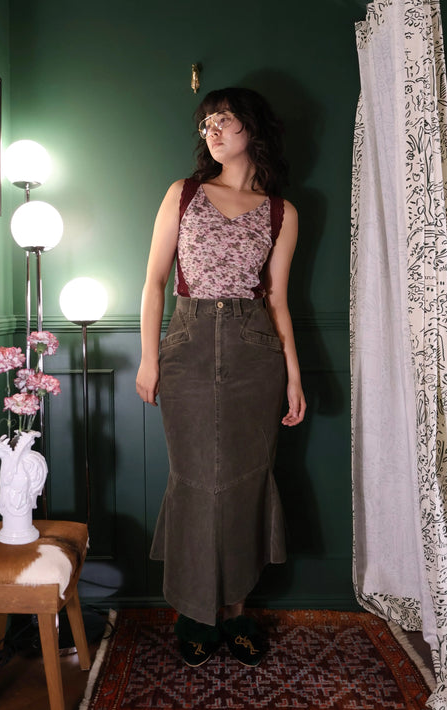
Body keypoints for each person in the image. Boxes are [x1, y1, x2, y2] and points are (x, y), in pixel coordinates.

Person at [136, 87, 306, 668]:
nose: (211, 130)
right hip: (185, 346)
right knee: (193, 482)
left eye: (224, 120)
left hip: (255, 353)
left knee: (245, 483)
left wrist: (294, 377)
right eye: (206, 122)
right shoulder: (182, 194)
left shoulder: (282, 212)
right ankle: (194, 614)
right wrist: (150, 358)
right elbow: (155, 282)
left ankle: (235, 612)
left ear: (251, 129)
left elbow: (278, 301)